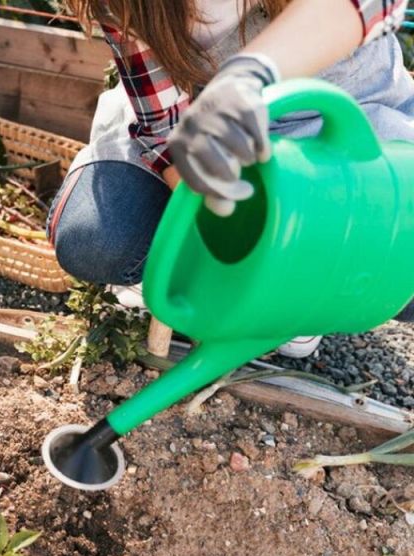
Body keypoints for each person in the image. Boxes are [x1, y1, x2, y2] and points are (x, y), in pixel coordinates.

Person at [48, 0, 414, 358]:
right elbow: (164, 126)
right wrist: (213, 219)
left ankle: (302, 291)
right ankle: (235, 281)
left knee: (398, 272)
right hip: (206, 128)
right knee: (96, 241)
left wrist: (252, 72)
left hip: (341, 118)